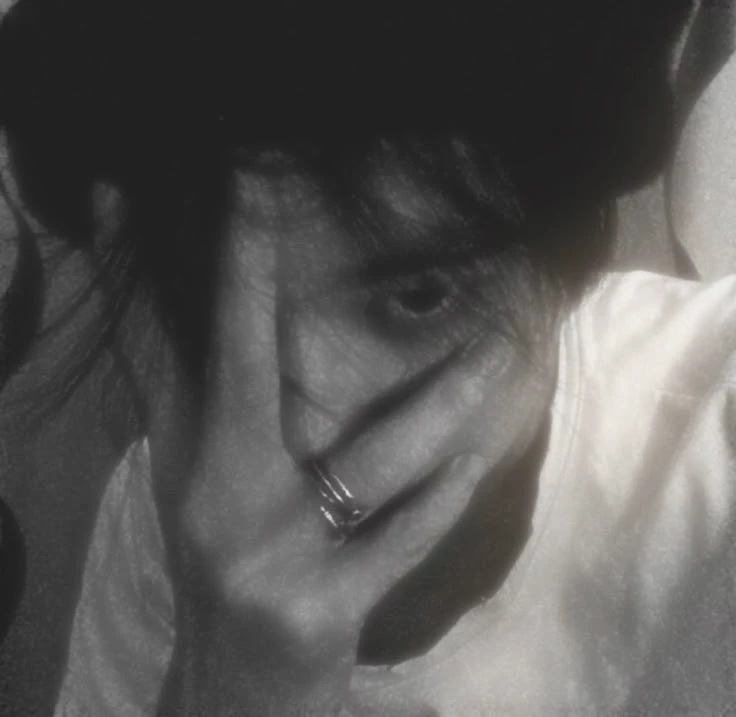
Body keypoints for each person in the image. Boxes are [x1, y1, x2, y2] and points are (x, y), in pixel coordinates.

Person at [3, 0, 735, 715]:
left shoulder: (710, 438)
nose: (300, 435)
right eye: (208, 287)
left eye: (419, 295)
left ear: (569, 269)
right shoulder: (170, 519)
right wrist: (231, 681)